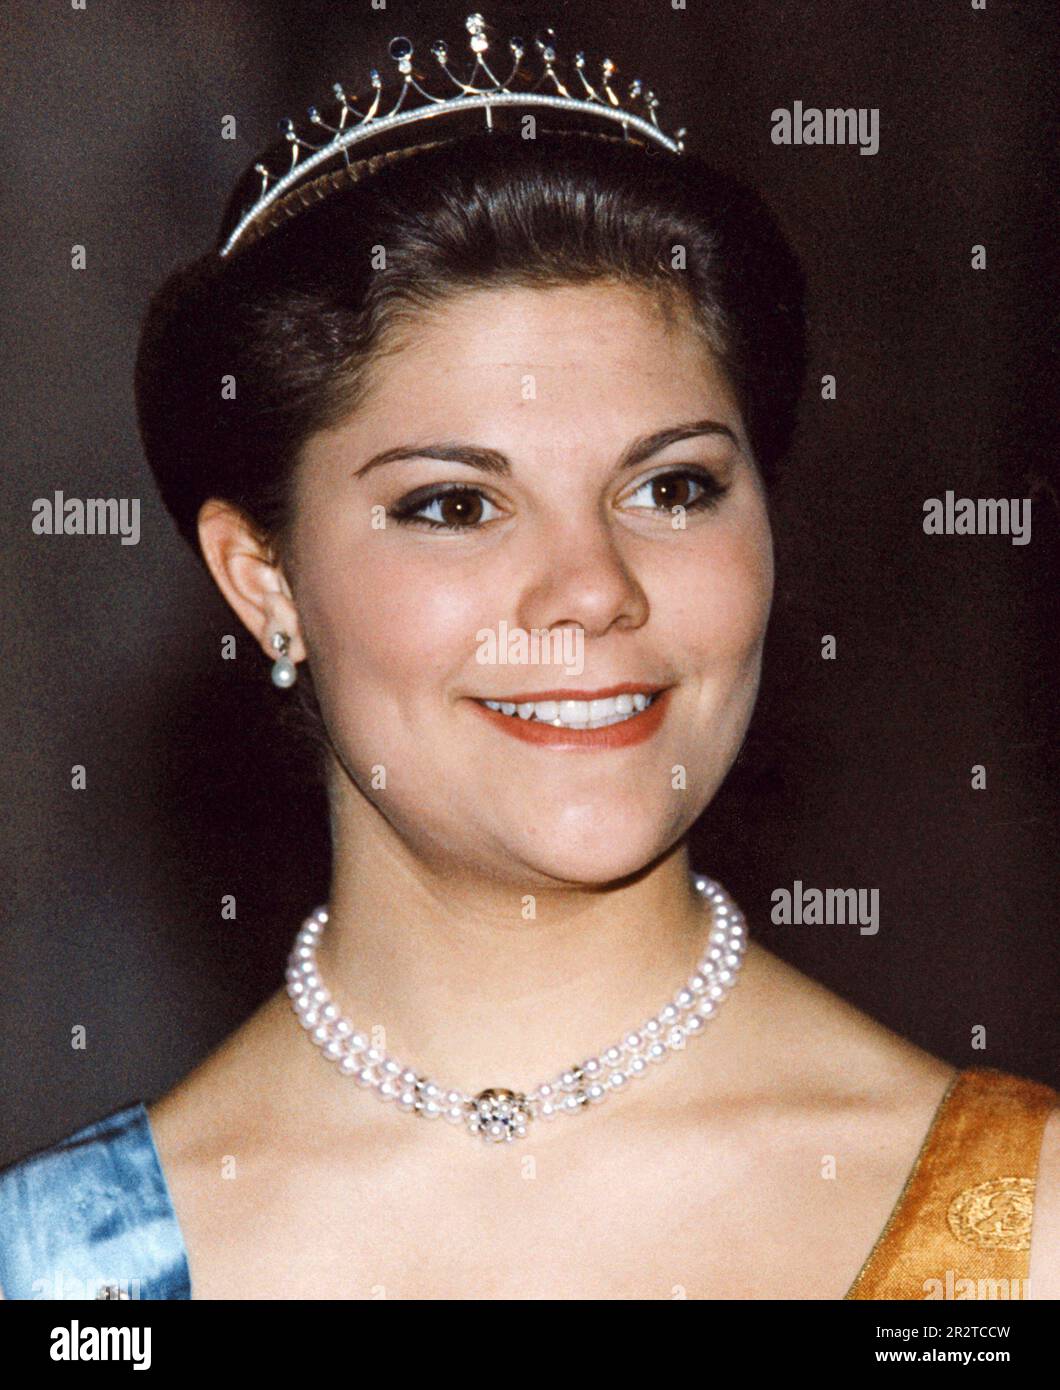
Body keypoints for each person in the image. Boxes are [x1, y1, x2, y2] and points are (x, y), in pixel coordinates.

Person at [1, 14, 1056, 1301]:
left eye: (670, 488)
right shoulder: (65, 1278)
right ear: (263, 578)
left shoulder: (1017, 1233)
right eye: (453, 504)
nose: (594, 590)